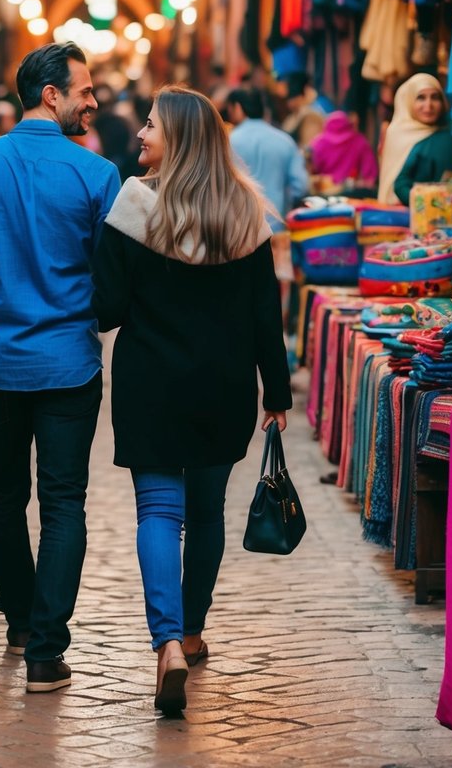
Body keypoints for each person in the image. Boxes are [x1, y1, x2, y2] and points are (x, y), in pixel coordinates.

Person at [92, 87, 292, 715]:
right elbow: (268, 317)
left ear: (175, 138)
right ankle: (196, 629)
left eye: (150, 125)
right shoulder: (246, 213)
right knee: (206, 513)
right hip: (225, 386)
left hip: (151, 383)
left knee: (159, 510)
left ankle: (167, 642)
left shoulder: (133, 203)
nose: (142, 134)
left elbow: (108, 309)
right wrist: (277, 393)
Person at [0, 43, 120, 694]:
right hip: (68, 361)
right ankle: (45, 650)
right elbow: (110, 272)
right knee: (64, 502)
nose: (92, 99)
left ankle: (17, 620)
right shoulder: (97, 175)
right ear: (51, 94)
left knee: (3, 496)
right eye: (84, 89)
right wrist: (92, 318)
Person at [225, 89, 308, 227]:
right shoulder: (284, 141)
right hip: (277, 228)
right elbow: (300, 185)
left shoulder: (227, 142)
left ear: (238, 108)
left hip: (239, 232)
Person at [377, 73, 449, 205]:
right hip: (398, 212)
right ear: (408, 100)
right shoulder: (396, 133)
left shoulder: (448, 136)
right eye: (421, 98)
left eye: (435, 97)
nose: (428, 105)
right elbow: (397, 184)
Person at [308, 110, 379, 190]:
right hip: (352, 193)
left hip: (324, 192)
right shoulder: (360, 141)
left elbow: (311, 170)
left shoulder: (318, 143)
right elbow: (370, 176)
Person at [280, 72, 332, 148]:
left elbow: (310, 149)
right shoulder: (293, 116)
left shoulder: (311, 115)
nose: (288, 102)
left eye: (291, 95)